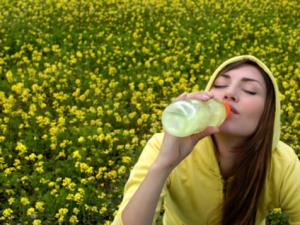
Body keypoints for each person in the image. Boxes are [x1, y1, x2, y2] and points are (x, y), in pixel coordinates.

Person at [111, 55, 300, 225]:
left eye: (250, 90)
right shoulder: (163, 146)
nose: (229, 93)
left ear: (268, 113)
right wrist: (164, 163)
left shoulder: (281, 162)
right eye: (219, 85)